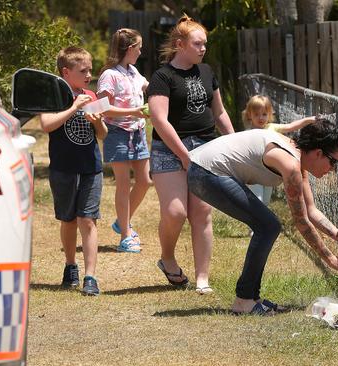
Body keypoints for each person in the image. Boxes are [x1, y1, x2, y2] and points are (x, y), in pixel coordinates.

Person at [187, 120, 338, 315]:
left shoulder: (297, 159)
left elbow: (311, 211)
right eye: (333, 162)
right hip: (204, 172)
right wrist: (332, 260)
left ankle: (251, 298)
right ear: (318, 153)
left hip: (201, 170)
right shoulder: (290, 164)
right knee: (268, 226)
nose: (333, 169)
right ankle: (244, 300)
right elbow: (301, 222)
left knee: (267, 226)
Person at [147, 15, 234, 295]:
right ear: (180, 44)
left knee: (202, 213)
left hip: (205, 148)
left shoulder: (207, 72)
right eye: (197, 44)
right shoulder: (162, 76)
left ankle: (202, 278)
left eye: (205, 44)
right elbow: (159, 120)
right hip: (170, 149)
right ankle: (168, 257)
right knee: (175, 212)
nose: (203, 49)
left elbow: (219, 113)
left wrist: (233, 143)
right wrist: (184, 155)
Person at [39, 46, 108, 296]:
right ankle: (71, 267)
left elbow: (102, 135)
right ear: (66, 72)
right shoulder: (52, 95)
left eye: (90, 69)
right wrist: (73, 107)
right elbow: (46, 125)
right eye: (83, 70)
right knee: (68, 220)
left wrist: (98, 122)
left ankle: (91, 276)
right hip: (63, 169)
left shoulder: (90, 94)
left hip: (91, 167)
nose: (89, 74)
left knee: (88, 219)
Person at [97, 28, 151, 253]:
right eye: (138, 47)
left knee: (145, 181)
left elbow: (150, 87)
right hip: (118, 133)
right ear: (129, 49)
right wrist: (135, 111)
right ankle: (125, 236)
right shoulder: (110, 75)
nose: (141, 51)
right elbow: (103, 108)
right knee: (122, 183)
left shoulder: (133, 72)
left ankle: (122, 221)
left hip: (138, 133)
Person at [241, 94, 315, 207]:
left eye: (264, 114)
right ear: (249, 115)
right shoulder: (247, 133)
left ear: (269, 114)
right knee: (258, 201)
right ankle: (257, 222)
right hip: (254, 173)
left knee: (265, 202)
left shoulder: (271, 128)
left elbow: (290, 126)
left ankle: (261, 222)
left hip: (269, 172)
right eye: (256, 114)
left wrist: (309, 120)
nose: (261, 118)